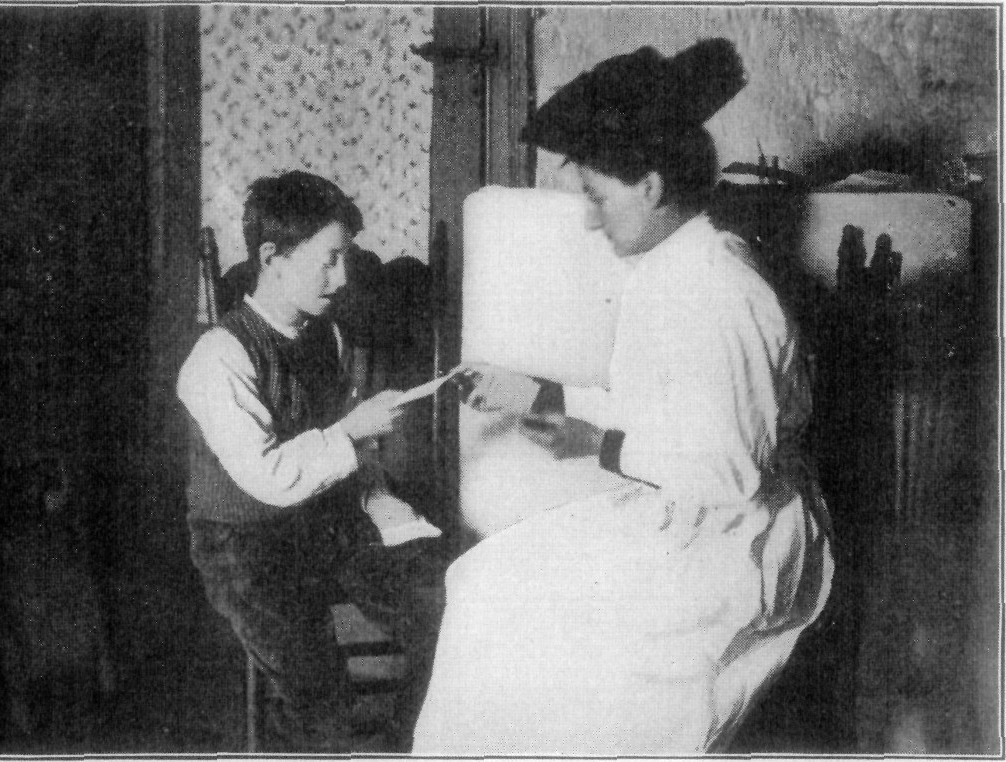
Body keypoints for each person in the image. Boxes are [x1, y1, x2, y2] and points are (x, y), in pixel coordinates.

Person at [412, 39, 834, 755]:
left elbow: (727, 472)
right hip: (697, 517)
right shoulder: (671, 268)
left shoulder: (716, 291)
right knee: (482, 582)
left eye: (597, 197)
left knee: (535, 630)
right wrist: (541, 392)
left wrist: (597, 444)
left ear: (651, 186)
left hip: (744, 542)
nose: (588, 218)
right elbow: (667, 408)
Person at [178, 171, 442, 751]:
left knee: (444, 613)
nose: (342, 277)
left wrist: (382, 502)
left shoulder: (325, 336)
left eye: (345, 258)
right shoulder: (218, 356)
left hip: (321, 523)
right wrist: (351, 432)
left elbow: (341, 456)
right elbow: (270, 476)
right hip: (243, 544)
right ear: (272, 258)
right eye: (329, 260)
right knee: (322, 700)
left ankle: (404, 747)